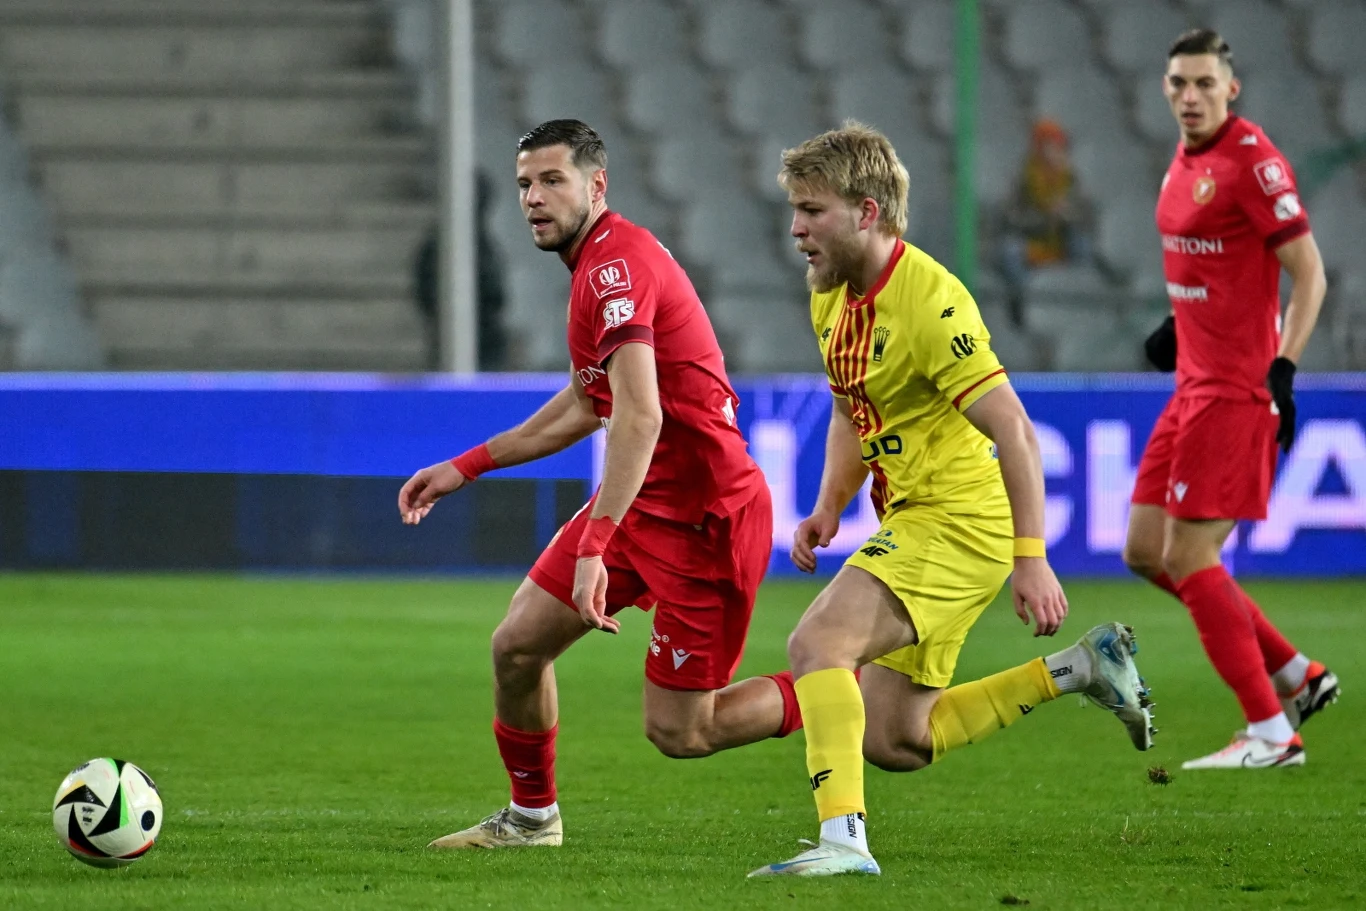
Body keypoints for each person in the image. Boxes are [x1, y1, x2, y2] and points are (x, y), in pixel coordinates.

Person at [749, 123, 1155, 878]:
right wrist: (830, 504)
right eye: (795, 210)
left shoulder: (932, 304)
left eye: (812, 211)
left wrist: (1031, 558)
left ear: (867, 212)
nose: (797, 229)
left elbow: (1015, 430)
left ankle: (843, 842)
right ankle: (1078, 669)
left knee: (818, 644)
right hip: (915, 516)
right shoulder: (832, 295)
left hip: (960, 519)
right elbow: (850, 406)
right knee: (895, 738)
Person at [397, 120, 803, 848]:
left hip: (706, 519)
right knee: (518, 646)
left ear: (597, 185)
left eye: (553, 180)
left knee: (682, 731)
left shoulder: (615, 269)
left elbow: (640, 417)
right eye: (525, 184)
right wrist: (468, 465)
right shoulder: (593, 267)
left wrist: (595, 544)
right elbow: (589, 403)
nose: (534, 197)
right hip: (645, 500)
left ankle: (846, 691)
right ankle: (531, 820)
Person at [1125, 30, 1336, 770]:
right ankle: (1295, 672)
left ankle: (1272, 732)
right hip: (1192, 382)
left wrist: (1285, 367)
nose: (1190, 97)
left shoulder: (1253, 163)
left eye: (1204, 84)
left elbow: (1310, 274)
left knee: (1190, 553)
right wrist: (1176, 323)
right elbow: (1211, 256)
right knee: (1145, 550)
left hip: (1236, 389)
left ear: (1230, 89)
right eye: (1179, 83)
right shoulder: (1186, 158)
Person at [998, 118, 1093, 325]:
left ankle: (1081, 302)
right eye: (1049, 146)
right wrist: (1045, 216)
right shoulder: (1023, 178)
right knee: (1010, 251)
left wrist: (1065, 215)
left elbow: (1085, 215)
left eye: (1059, 147)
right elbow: (1012, 217)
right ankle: (1025, 304)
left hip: (1060, 243)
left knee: (1083, 245)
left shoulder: (1070, 178)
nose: (1055, 153)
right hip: (1032, 241)